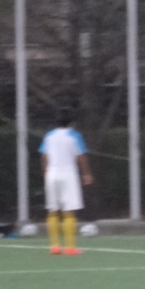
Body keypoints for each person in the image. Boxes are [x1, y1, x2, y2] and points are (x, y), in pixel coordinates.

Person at [39, 109, 94, 255]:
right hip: (68, 174)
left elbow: (44, 156)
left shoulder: (49, 136)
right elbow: (81, 157)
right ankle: (70, 247)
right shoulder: (75, 135)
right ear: (71, 122)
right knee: (69, 211)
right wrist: (86, 173)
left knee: (52, 210)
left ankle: (55, 246)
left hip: (52, 174)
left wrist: (45, 172)